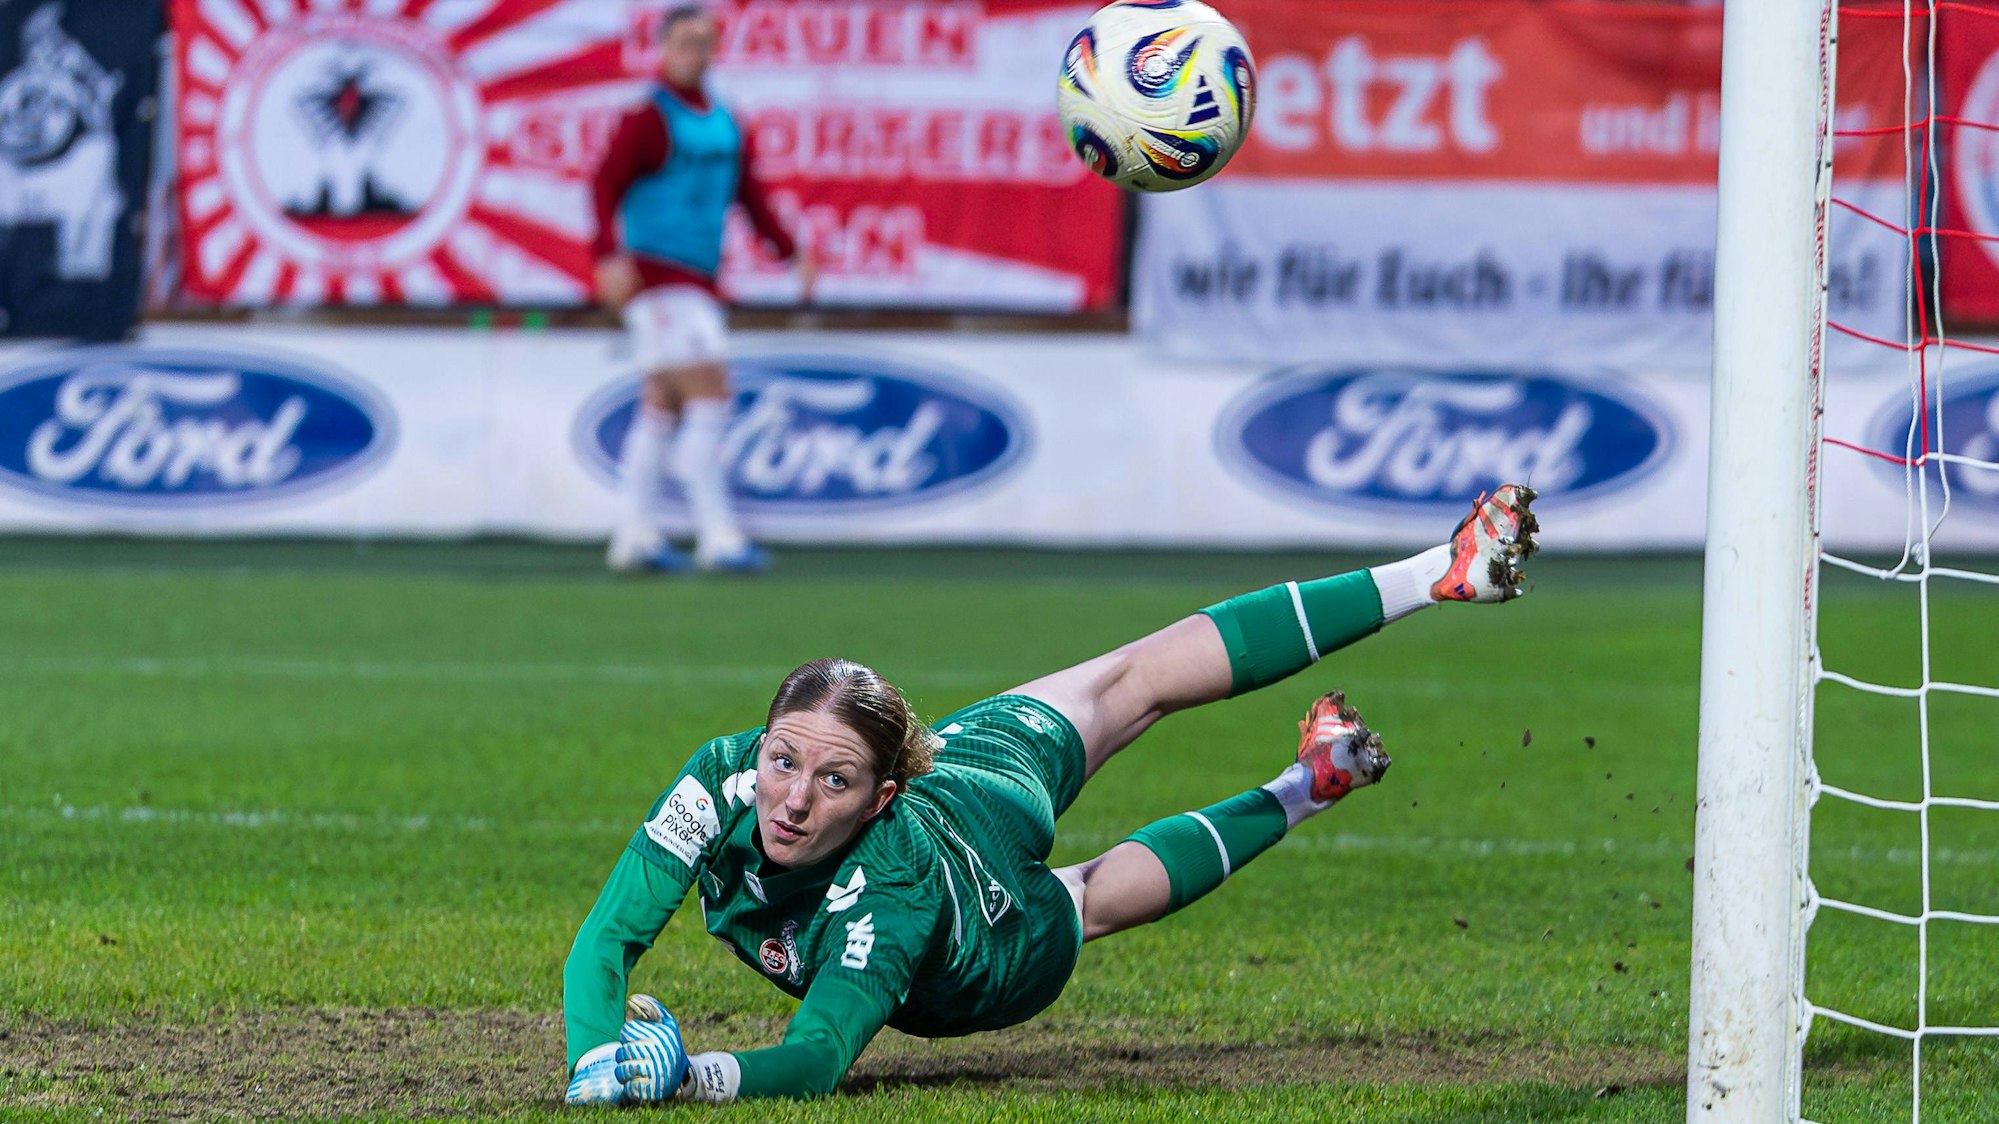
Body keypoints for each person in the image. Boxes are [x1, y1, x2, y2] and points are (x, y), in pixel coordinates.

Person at [562, 485, 1540, 1103]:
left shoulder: (888, 896)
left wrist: (690, 1077)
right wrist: (593, 1060)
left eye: (834, 779)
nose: (792, 798)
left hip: (983, 936)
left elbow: (816, 1057)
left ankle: (1333, 736)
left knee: (1085, 893)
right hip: (976, 774)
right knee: (1132, 678)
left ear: (882, 793)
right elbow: (609, 933)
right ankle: (1387, 648)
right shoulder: (718, 776)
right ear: (761, 741)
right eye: (783, 760)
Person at [591, 3, 814, 574]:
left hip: (697, 277)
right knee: (710, 393)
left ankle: (632, 537)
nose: (697, 51)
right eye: (686, 41)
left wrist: (789, 250)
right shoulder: (648, 117)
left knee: (662, 405)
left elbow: (750, 195)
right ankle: (719, 537)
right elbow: (604, 186)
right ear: (664, 47)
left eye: (705, 41)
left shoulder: (723, 119)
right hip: (656, 277)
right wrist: (605, 257)